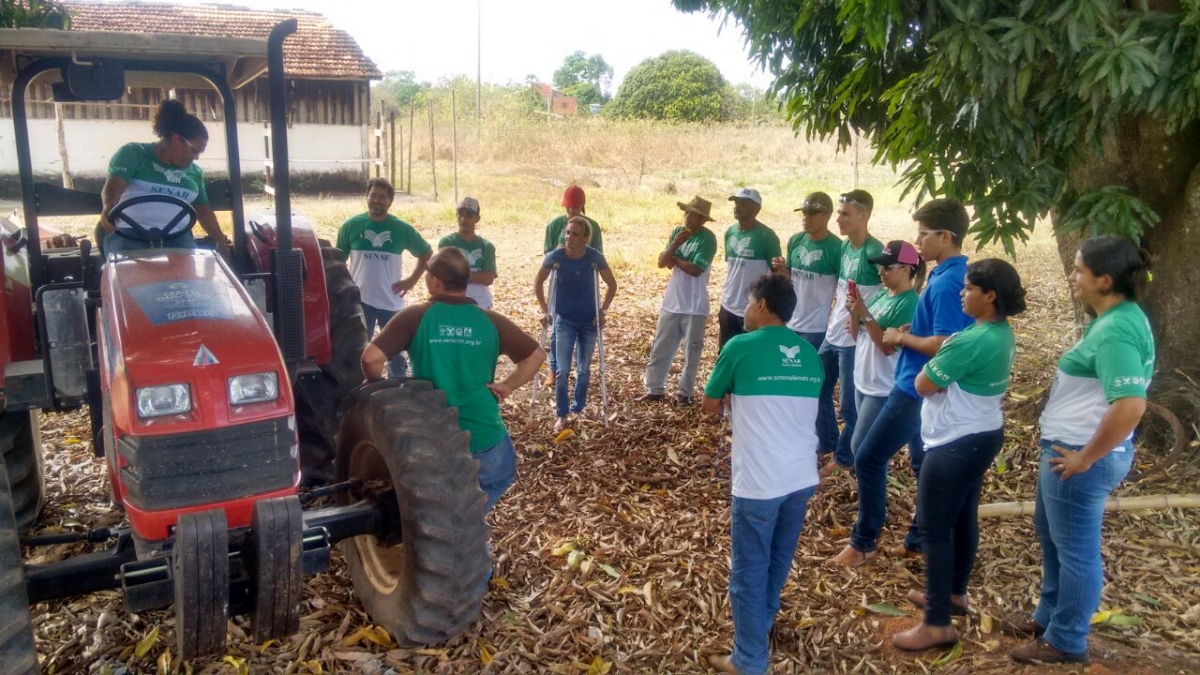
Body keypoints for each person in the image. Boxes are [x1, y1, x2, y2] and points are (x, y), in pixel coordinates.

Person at [1010, 236, 1154, 666]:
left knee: (1075, 551)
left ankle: (1067, 640)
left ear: (1104, 280)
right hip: (1069, 450)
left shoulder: (1115, 331)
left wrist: (1086, 457)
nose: (1073, 277)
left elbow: (1130, 405)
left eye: (1079, 270)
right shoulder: (1116, 318)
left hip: (1078, 456)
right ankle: (1049, 617)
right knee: (1053, 536)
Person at [829, 197, 973, 567]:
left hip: (913, 386)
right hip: (916, 382)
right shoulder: (947, 274)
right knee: (921, 464)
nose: (919, 241)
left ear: (945, 236)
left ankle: (864, 541)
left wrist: (903, 337)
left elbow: (948, 343)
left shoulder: (946, 282)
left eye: (924, 234)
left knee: (868, 458)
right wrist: (913, 330)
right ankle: (919, 540)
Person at [893, 259, 1026, 652]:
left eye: (968, 288)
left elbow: (922, 383)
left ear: (990, 296)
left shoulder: (969, 340)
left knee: (934, 530)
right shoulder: (1000, 332)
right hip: (982, 433)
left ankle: (937, 623)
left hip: (954, 441)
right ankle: (954, 594)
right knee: (964, 516)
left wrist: (941, 367)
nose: (961, 294)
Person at [701, 273, 823, 675]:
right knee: (777, 560)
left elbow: (709, 405)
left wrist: (734, 395)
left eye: (747, 302)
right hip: (801, 477)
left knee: (748, 572)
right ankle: (762, 624)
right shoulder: (809, 353)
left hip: (759, 481)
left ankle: (749, 659)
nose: (744, 310)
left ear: (762, 305)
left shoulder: (740, 345)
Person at [361, 248, 545, 513]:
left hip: (432, 434)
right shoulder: (491, 320)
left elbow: (371, 359)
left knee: (440, 504)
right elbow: (536, 356)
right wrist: (507, 386)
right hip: (483, 435)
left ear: (435, 281)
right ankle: (469, 520)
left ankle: (460, 524)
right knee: (496, 479)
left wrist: (378, 385)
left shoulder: (416, 317)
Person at [97, 99, 231, 257]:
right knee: (129, 269)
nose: (196, 158)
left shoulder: (194, 172)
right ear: (176, 140)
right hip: (127, 233)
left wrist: (220, 240)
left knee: (192, 271)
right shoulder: (134, 153)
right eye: (194, 151)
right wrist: (108, 206)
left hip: (176, 236)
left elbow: (203, 210)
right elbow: (114, 186)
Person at [816, 189, 883, 475]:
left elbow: (888, 294)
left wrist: (864, 322)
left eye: (845, 214)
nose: (838, 219)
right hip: (833, 333)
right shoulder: (845, 247)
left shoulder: (874, 252)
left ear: (863, 216)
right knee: (817, 386)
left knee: (850, 407)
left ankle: (846, 459)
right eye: (839, 213)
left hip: (853, 340)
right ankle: (829, 442)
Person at [336, 178, 432, 378]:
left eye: (382, 197)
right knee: (359, 352)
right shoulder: (350, 226)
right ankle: (362, 387)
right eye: (373, 195)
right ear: (366, 197)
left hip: (391, 301)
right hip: (361, 301)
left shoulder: (401, 229)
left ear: (390, 201)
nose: (376, 200)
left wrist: (412, 280)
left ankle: (398, 386)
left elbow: (426, 253)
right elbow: (338, 262)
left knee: (396, 353)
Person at [534, 217, 617, 432]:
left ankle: (578, 408)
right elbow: (538, 282)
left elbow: (612, 285)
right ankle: (562, 413)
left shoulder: (594, 257)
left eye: (575, 234)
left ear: (585, 238)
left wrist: (602, 311)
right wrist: (545, 310)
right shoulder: (556, 256)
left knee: (583, 369)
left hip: (589, 320)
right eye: (568, 232)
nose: (569, 237)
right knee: (562, 370)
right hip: (564, 319)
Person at [635, 196, 718, 407]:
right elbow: (661, 261)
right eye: (686, 212)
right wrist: (675, 245)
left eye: (693, 214)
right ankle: (654, 388)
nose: (687, 217)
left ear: (702, 220)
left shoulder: (708, 239)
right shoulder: (677, 233)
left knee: (692, 351)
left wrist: (676, 259)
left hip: (695, 304)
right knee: (660, 346)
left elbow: (696, 269)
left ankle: (685, 393)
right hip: (672, 301)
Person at [846, 241, 922, 457]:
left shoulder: (908, 303)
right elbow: (858, 336)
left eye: (888, 268)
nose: (881, 272)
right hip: (863, 379)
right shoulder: (881, 295)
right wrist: (853, 312)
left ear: (906, 270)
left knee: (861, 448)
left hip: (882, 386)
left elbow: (888, 348)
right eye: (880, 266)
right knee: (869, 449)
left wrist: (865, 314)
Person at [543, 185, 604, 387]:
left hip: (584, 284)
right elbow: (547, 255)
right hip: (561, 282)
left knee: (584, 328)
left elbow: (598, 255)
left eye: (575, 207)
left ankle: (580, 370)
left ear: (582, 206)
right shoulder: (554, 225)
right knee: (556, 328)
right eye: (568, 207)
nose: (571, 211)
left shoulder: (592, 226)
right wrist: (560, 251)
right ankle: (554, 369)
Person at [772, 191, 842, 350]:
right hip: (790, 321)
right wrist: (782, 270)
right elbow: (791, 278)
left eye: (812, 214)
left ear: (827, 215)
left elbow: (842, 289)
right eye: (804, 213)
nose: (806, 218)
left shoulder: (836, 247)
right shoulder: (795, 240)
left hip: (817, 327)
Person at [719, 188, 781, 350]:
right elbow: (733, 268)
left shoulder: (767, 235)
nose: (737, 207)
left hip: (751, 309)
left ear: (756, 209)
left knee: (750, 354)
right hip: (728, 305)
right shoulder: (730, 232)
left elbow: (776, 273)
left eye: (743, 204)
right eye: (736, 203)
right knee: (725, 352)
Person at [438, 196, 497, 309]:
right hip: (453, 303)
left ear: (477, 218)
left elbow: (488, 278)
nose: (463, 219)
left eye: (469, 215)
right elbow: (445, 275)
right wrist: (476, 276)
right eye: (460, 214)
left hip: (481, 303)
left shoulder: (487, 246)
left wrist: (459, 274)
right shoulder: (447, 243)